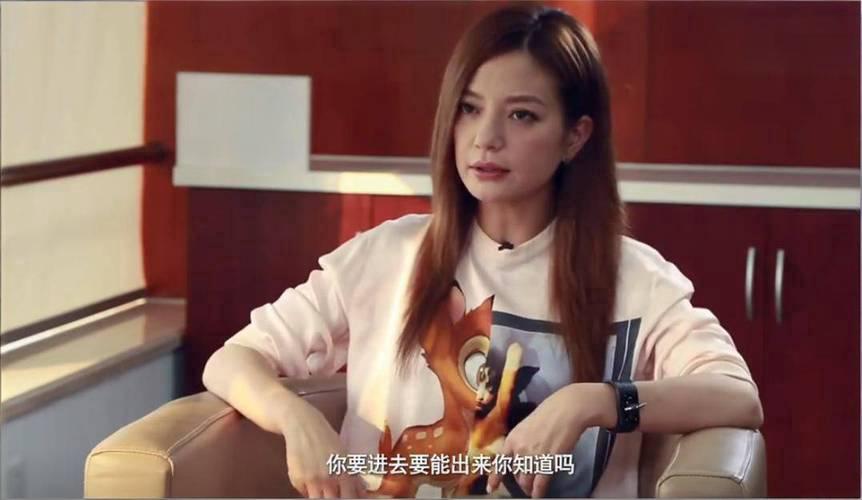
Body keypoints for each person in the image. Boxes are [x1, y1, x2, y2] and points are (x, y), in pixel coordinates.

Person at [202, 4, 763, 498]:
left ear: (575, 136)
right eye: (470, 108)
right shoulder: (388, 255)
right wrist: (297, 419)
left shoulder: (634, 277)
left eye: (521, 115)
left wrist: (593, 402)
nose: (485, 137)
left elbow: (737, 396)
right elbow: (233, 360)